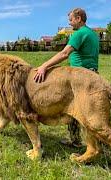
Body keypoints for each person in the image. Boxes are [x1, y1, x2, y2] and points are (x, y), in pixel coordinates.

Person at [33, 8, 99, 147]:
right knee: (84, 109)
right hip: (93, 74)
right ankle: (77, 139)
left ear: (79, 18)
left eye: (71, 20)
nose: (70, 23)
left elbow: (64, 54)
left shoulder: (79, 34)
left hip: (81, 78)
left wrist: (44, 66)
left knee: (76, 109)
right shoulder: (92, 34)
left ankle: (90, 142)